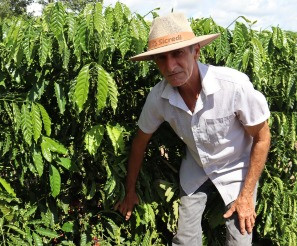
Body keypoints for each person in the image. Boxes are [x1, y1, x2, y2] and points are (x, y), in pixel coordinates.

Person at [114, 11, 271, 245]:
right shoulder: (158, 98)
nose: (170, 66)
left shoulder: (233, 87)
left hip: (238, 167)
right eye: (161, 58)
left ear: (195, 51)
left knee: (240, 240)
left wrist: (246, 195)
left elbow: (262, 137)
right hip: (197, 167)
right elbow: (140, 143)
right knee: (185, 240)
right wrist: (130, 192)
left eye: (177, 54)